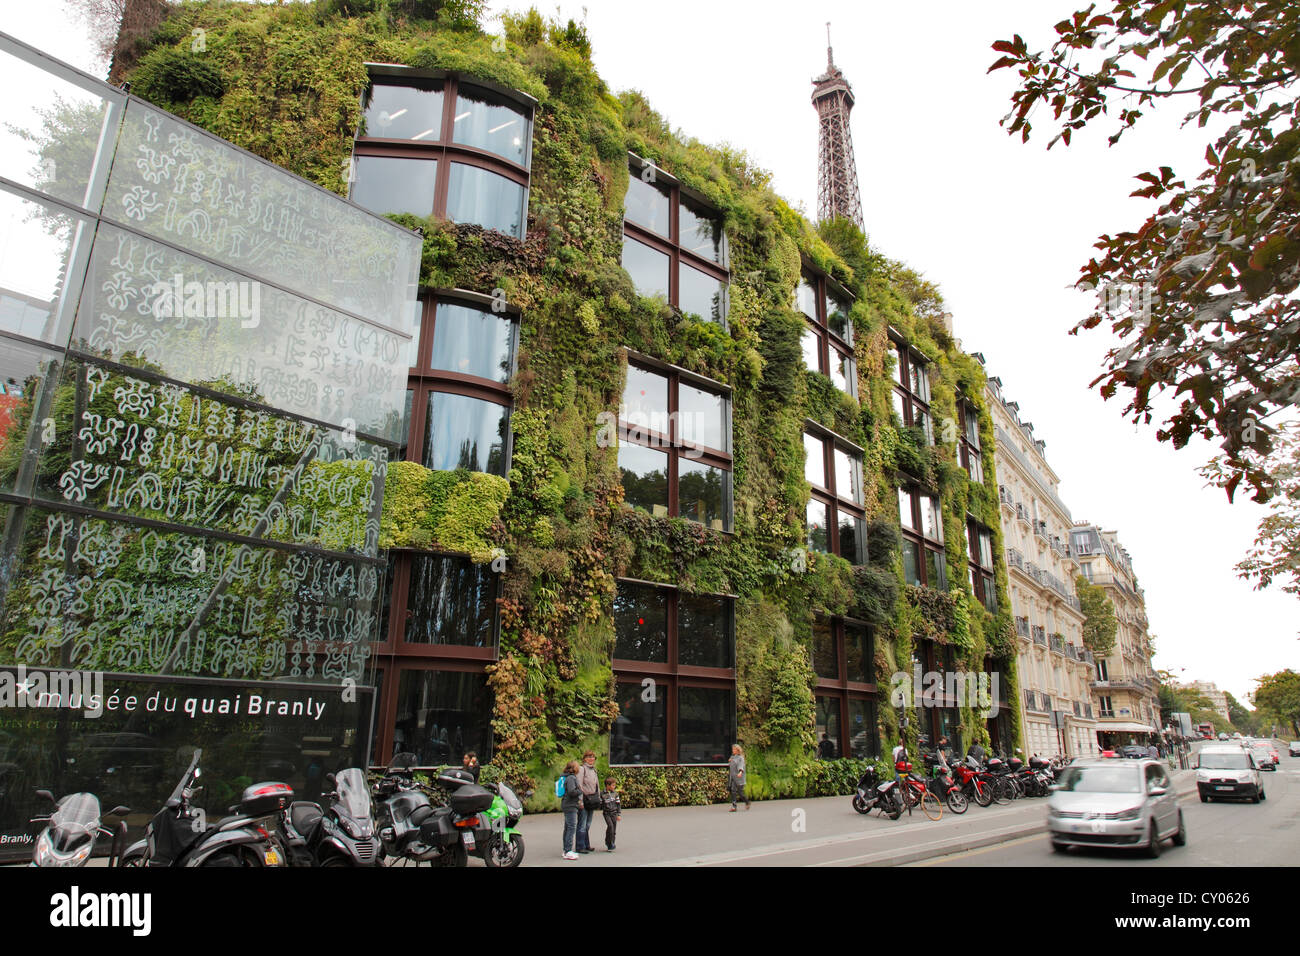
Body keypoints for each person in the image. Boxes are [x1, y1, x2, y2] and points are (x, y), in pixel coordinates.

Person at [575, 750, 601, 853]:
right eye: (589, 757)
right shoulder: (582, 769)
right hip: (584, 800)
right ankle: (580, 846)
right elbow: (579, 785)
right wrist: (580, 800)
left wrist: (598, 797)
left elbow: (597, 785)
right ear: (584, 758)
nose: (591, 759)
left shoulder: (593, 770)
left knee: (588, 824)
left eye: (593, 757)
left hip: (592, 800)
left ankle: (586, 844)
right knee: (582, 824)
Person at [559, 760, 581, 860]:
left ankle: (566, 850)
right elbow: (572, 791)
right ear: (574, 768)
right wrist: (580, 790)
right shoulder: (571, 778)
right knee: (571, 828)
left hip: (567, 804)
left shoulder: (566, 777)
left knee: (568, 827)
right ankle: (568, 850)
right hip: (570, 805)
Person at [600, 776, 622, 852]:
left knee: (613, 830)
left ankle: (611, 843)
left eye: (614, 785)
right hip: (606, 813)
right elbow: (600, 803)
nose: (614, 787)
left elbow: (618, 804)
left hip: (614, 813)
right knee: (610, 826)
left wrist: (619, 814)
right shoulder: (602, 793)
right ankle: (608, 842)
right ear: (607, 786)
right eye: (613, 785)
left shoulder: (615, 794)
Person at [728, 744, 750, 811]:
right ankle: (734, 806)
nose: (733, 750)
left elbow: (741, 766)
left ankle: (747, 802)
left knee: (740, 793)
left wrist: (740, 772)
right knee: (733, 791)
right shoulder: (732, 757)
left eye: (734, 749)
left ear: (738, 750)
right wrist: (730, 761)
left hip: (740, 778)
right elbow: (731, 765)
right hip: (733, 777)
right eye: (733, 749)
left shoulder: (741, 758)